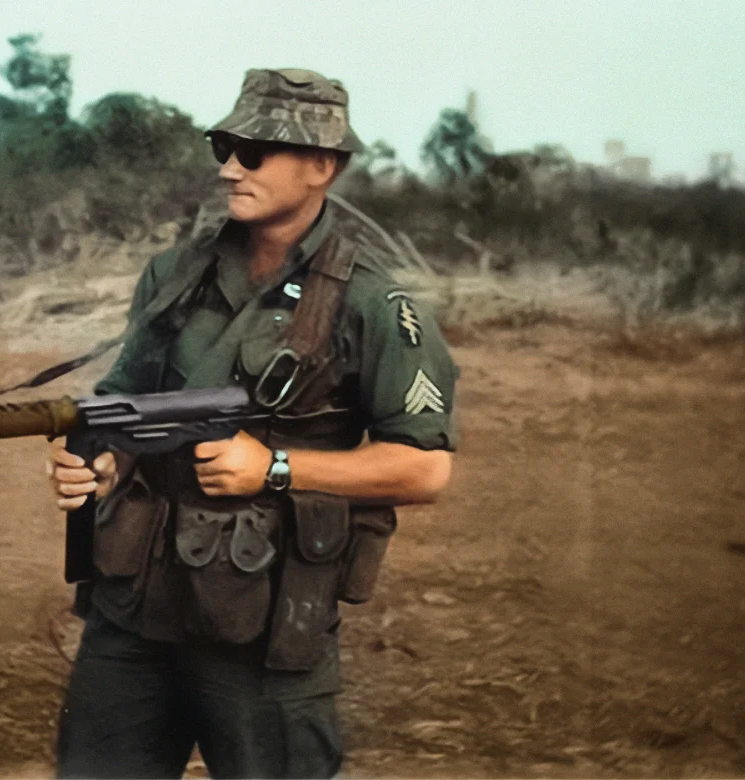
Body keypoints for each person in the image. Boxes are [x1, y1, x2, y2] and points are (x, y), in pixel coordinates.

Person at [47, 68, 459, 779]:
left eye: (255, 152)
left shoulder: (374, 303)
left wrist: (273, 467)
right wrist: (101, 462)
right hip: (135, 609)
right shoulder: (173, 275)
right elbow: (125, 402)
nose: (230, 168)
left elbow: (424, 468)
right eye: (224, 148)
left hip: (262, 624)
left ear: (321, 166)